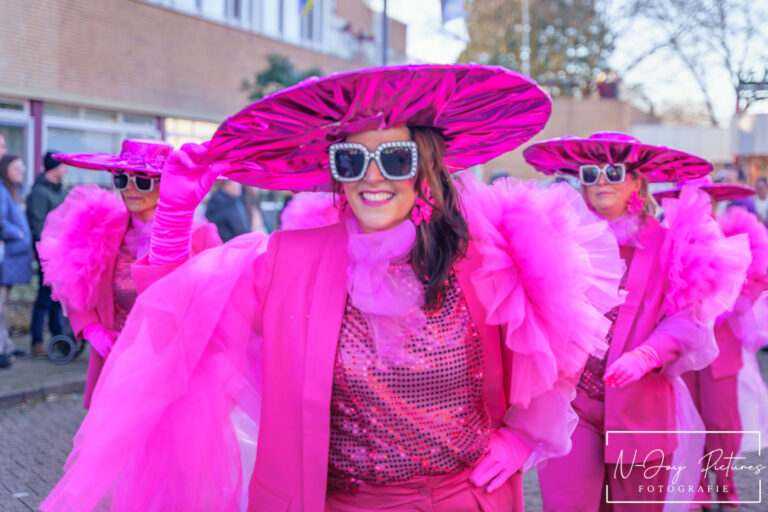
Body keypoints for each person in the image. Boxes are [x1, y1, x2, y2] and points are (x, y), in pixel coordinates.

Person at [42, 65, 627, 511]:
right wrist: (173, 216)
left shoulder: (485, 255)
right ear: (335, 174)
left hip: (463, 499)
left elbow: (557, 345)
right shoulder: (284, 261)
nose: (372, 177)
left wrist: (522, 440)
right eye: (352, 160)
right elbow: (173, 325)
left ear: (426, 167)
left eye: (394, 157)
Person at [524, 132, 750, 511]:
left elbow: (689, 316)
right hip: (570, 407)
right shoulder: (560, 241)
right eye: (590, 173)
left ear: (636, 181)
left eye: (613, 172)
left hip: (641, 409)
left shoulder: (668, 244)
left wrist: (646, 354)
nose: (600, 182)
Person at [37, 139, 221, 408]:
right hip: (117, 363)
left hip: (174, 367)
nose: (131, 189)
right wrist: (92, 331)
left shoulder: (200, 235)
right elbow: (74, 282)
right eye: (122, 179)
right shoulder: (100, 227)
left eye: (143, 181)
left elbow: (215, 303)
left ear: (166, 183)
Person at [654, 177, 768, 509]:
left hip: (723, 345)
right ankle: (697, 487)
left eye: (704, 197)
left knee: (721, 420)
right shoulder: (666, 237)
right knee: (687, 418)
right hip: (682, 345)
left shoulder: (733, 237)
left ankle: (726, 482)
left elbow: (755, 282)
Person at [25, 151, 68, 357]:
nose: (66, 169)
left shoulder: (60, 192)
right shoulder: (40, 193)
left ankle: (58, 337)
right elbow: (37, 226)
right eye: (63, 165)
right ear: (55, 167)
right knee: (44, 297)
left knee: (57, 297)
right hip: (47, 254)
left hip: (62, 252)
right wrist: (48, 250)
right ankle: (36, 341)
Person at [0, 154, 33, 369]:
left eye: (23, 168)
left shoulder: (15, 192)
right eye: (17, 168)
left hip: (12, 261)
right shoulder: (3, 192)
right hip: (5, 259)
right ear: (6, 170)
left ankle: (6, 346)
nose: (21, 171)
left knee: (3, 306)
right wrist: (20, 234)